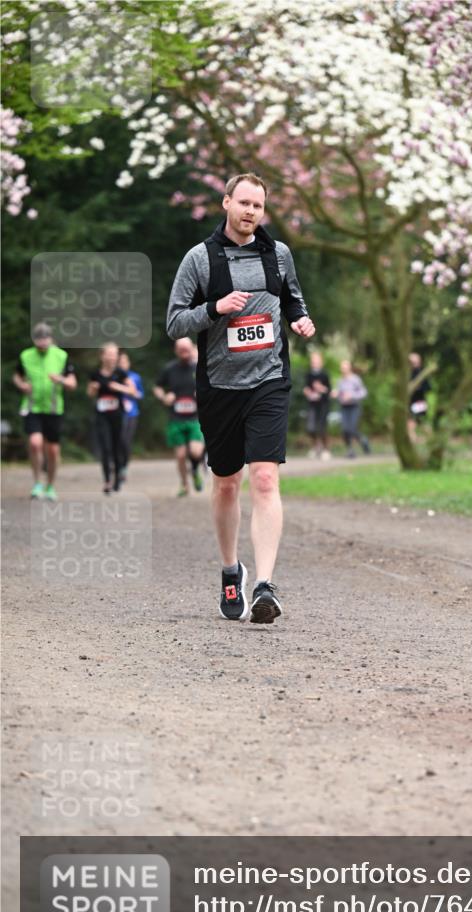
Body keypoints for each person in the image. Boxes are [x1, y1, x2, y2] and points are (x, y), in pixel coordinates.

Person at [166, 173, 315, 624]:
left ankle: (265, 586)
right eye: (244, 203)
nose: (251, 211)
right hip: (219, 388)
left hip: (268, 381)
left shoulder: (278, 254)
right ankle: (232, 570)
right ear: (226, 202)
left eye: (259, 206)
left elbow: (293, 300)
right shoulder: (201, 259)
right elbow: (174, 323)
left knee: (265, 478)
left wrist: (300, 321)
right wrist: (215, 309)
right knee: (226, 482)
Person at [12, 322, 77, 501]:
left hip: (54, 409)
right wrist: (22, 385)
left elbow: (73, 383)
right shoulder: (25, 356)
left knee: (53, 451)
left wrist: (61, 380)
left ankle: (50, 485)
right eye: (38, 340)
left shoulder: (61, 356)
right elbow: (17, 375)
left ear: (51, 339)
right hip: (32, 407)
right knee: (34, 443)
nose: (42, 344)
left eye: (45, 340)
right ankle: (37, 483)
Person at [154, 338, 206, 497]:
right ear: (176, 351)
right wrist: (164, 397)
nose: (184, 352)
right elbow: (157, 387)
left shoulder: (200, 367)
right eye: (181, 349)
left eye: (187, 349)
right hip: (176, 418)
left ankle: (196, 469)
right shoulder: (169, 369)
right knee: (181, 455)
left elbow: (214, 384)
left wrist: (204, 393)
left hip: (196, 417)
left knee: (196, 452)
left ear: (191, 349)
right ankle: (184, 485)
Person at [87, 342, 138, 493]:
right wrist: (92, 388)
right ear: (101, 356)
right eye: (108, 354)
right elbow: (89, 394)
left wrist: (118, 387)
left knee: (117, 446)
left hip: (118, 415)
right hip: (102, 415)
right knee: (105, 447)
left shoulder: (121, 373)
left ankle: (117, 479)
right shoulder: (95, 374)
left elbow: (133, 391)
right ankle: (107, 481)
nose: (111, 357)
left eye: (114, 354)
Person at [332, 360, 370, 458]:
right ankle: (350, 450)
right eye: (342, 367)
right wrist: (336, 394)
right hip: (344, 407)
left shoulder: (355, 379)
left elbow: (363, 392)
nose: (343, 369)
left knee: (352, 428)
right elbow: (340, 394)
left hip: (354, 406)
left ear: (349, 368)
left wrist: (352, 396)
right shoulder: (340, 381)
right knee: (345, 429)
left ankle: (363, 440)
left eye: (345, 367)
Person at [118, 351, 144, 483]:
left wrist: (132, 393)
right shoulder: (114, 376)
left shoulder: (135, 377)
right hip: (117, 413)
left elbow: (140, 394)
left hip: (132, 413)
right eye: (120, 362)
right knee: (118, 440)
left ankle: (124, 467)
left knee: (126, 441)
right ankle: (117, 465)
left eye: (124, 362)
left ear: (128, 363)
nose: (122, 364)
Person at [303, 351, 331, 459]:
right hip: (312, 404)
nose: (314, 363)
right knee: (310, 427)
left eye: (317, 361)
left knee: (322, 427)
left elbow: (329, 390)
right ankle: (315, 447)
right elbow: (306, 387)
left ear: (321, 362)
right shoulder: (308, 374)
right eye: (313, 361)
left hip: (323, 404)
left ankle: (326, 449)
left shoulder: (325, 374)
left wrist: (321, 388)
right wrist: (307, 391)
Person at [407, 351, 431, 443]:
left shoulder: (421, 373)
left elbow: (427, 388)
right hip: (411, 401)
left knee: (419, 422)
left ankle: (429, 439)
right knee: (412, 422)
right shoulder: (408, 373)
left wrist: (417, 388)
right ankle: (413, 440)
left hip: (419, 401)